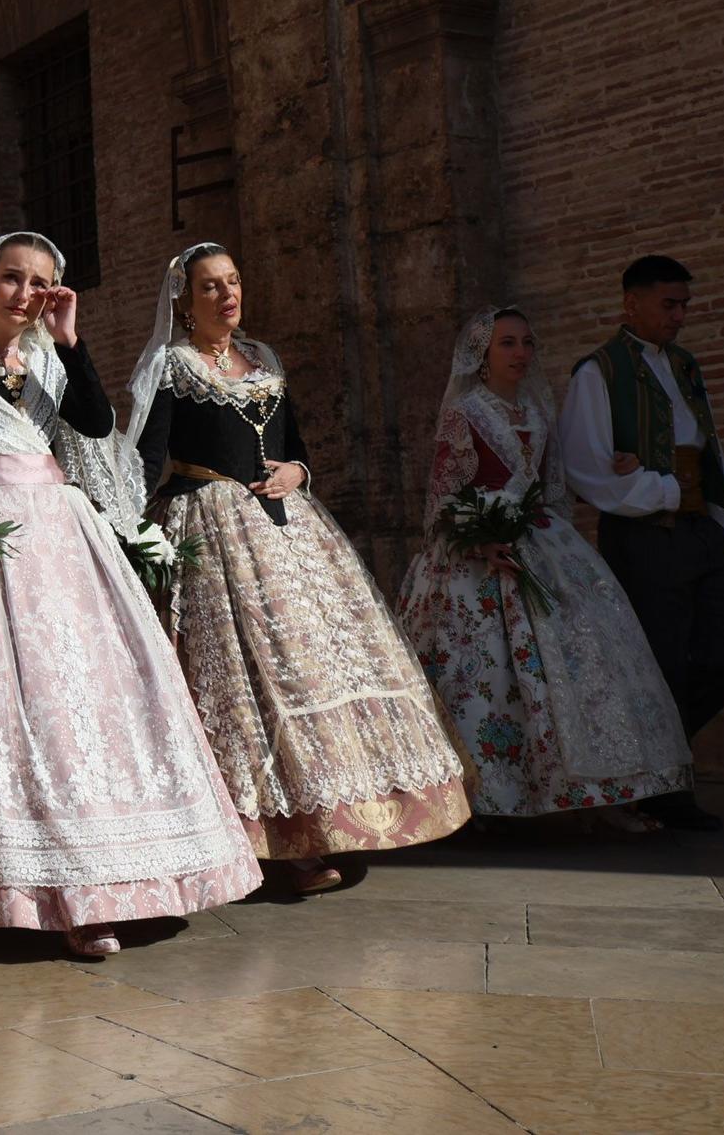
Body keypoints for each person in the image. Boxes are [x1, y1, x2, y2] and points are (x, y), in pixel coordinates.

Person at [0, 233, 259, 957]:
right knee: (3, 713)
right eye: (12, 279)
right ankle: (14, 888)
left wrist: (72, 342)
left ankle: (96, 888)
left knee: (81, 703)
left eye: (39, 282)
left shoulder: (47, 357)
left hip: (63, 539)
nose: (25, 293)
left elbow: (97, 424)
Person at [127, 244, 470, 894]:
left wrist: (298, 473)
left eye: (233, 282)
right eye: (210, 287)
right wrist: (121, 524)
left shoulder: (266, 361)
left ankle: (336, 820)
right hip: (212, 532)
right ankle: (276, 846)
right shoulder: (170, 367)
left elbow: (296, 446)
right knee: (249, 681)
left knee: (317, 666)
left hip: (293, 535)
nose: (227, 295)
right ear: (184, 300)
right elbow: (148, 460)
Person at [397, 308, 691, 824]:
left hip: (542, 541)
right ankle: (481, 800)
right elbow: (444, 499)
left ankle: (590, 791)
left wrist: (617, 465)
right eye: (507, 344)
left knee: (586, 657)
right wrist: (480, 541)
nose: (521, 354)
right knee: (484, 676)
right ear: (483, 356)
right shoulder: (464, 413)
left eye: (527, 343)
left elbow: (555, 487)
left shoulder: (536, 408)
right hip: (477, 560)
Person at [559, 255, 724, 832]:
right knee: (663, 663)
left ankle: (653, 761)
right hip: (646, 536)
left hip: (703, 532)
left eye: (684, 305)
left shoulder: (687, 365)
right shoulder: (600, 371)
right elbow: (586, 468)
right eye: (669, 304)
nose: (680, 316)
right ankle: (666, 791)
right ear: (632, 303)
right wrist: (661, 488)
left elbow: (707, 452)